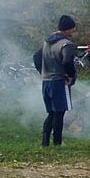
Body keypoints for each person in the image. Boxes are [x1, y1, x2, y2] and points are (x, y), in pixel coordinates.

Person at [32, 14, 77, 147]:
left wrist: (42, 72)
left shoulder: (47, 42)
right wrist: (70, 76)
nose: (74, 30)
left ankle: (45, 143)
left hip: (46, 81)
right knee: (59, 113)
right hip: (59, 81)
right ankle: (57, 142)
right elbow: (67, 61)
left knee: (51, 113)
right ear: (67, 29)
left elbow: (36, 56)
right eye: (73, 28)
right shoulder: (66, 44)